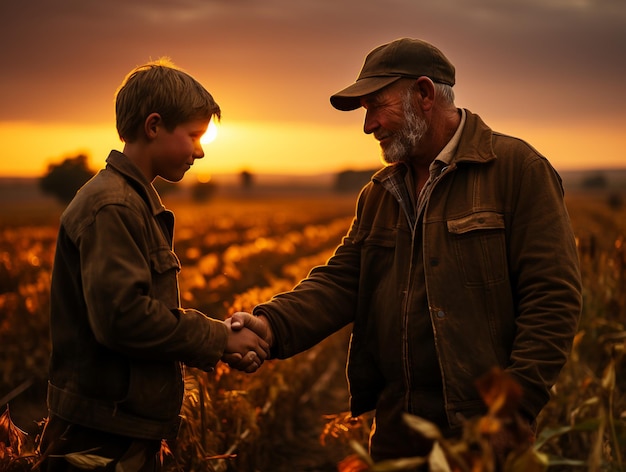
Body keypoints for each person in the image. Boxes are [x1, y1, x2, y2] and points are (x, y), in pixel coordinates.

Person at [227, 38, 582, 465]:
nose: (368, 124)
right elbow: (344, 280)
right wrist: (270, 325)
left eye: (378, 106)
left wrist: (512, 411)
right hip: (398, 429)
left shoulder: (516, 170)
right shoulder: (380, 192)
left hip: (480, 431)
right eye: (365, 112)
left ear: (425, 94)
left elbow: (553, 298)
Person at [38, 59, 269, 471]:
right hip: (100, 437)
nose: (200, 151)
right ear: (154, 126)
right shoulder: (113, 205)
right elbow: (124, 318)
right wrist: (219, 338)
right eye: (194, 136)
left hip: (118, 425)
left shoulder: (131, 201)